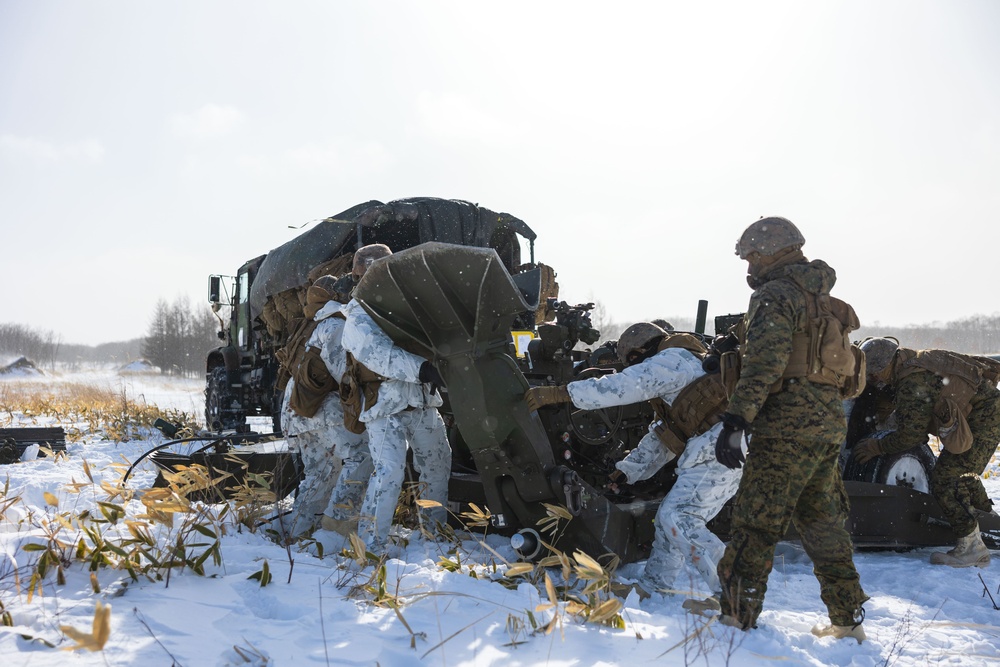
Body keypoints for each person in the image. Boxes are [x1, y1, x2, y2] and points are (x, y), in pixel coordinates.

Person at [713, 216, 868, 642]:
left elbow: (765, 363)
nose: (749, 267)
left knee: (754, 524)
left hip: (785, 428)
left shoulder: (776, 295)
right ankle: (848, 620)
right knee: (824, 524)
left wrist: (736, 420)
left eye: (752, 257)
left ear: (772, 252)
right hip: (828, 425)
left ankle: (735, 622)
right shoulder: (825, 300)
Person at [525, 322, 742, 610]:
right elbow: (664, 436)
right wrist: (628, 471)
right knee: (669, 519)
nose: (633, 368)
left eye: (632, 362)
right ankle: (654, 588)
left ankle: (734, 596)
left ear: (640, 352)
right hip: (722, 445)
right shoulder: (684, 368)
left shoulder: (672, 359)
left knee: (680, 516)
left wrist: (561, 394)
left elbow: (623, 387)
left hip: (720, 446)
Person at [341, 244, 453, 553]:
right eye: (372, 275)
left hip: (420, 401)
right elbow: (379, 355)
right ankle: (369, 544)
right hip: (384, 405)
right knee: (388, 473)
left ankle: (433, 533)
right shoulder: (358, 315)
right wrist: (424, 369)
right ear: (358, 276)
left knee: (438, 464)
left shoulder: (407, 304)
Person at [853, 337, 1000, 567]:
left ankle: (972, 548)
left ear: (886, 366)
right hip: (984, 412)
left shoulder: (912, 381)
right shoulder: (911, 361)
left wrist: (877, 446)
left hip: (985, 419)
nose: (873, 379)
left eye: (874, 374)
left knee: (946, 478)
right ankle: (991, 527)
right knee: (962, 472)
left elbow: (911, 436)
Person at [280, 275, 368, 539]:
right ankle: (338, 526)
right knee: (361, 456)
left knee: (320, 472)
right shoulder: (336, 324)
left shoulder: (313, 321)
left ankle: (299, 529)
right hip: (321, 408)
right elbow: (343, 374)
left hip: (299, 408)